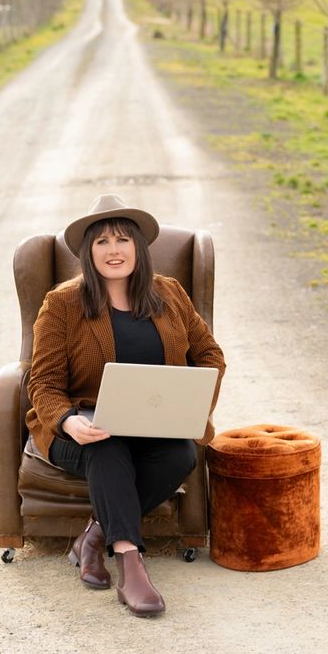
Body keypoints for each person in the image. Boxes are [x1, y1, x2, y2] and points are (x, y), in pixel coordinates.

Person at [26, 194, 226, 617]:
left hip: (153, 425)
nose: (113, 250)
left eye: (122, 240)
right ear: (88, 252)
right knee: (107, 445)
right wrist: (66, 421)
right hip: (82, 430)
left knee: (180, 454)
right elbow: (42, 382)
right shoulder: (61, 304)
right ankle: (131, 565)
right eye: (102, 243)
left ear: (139, 247)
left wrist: (191, 406)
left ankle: (92, 537)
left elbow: (209, 354)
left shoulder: (169, 293)